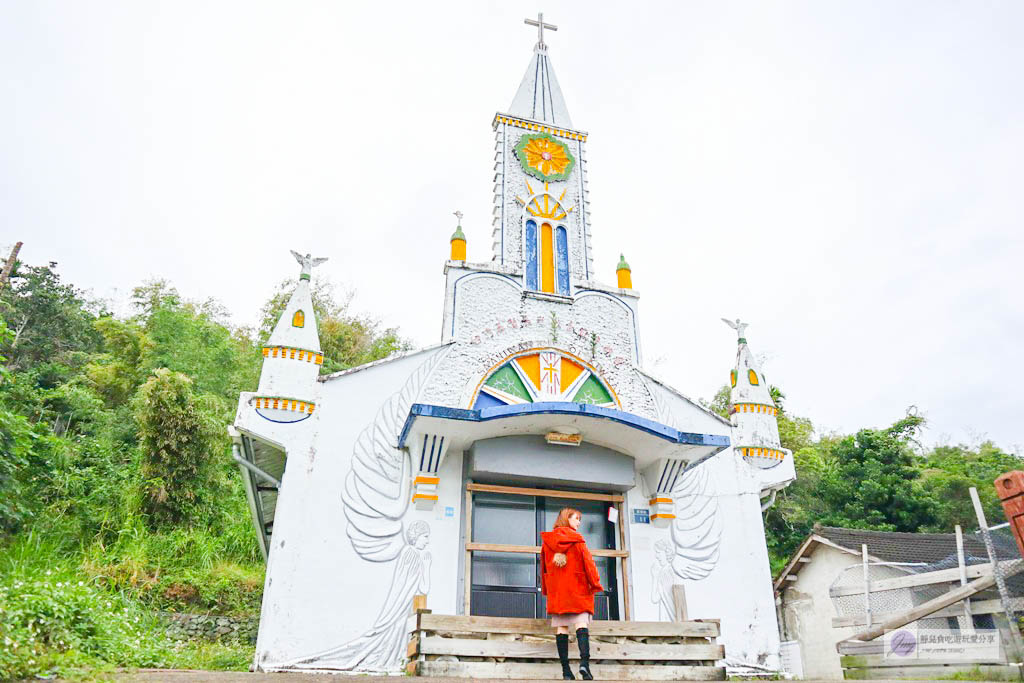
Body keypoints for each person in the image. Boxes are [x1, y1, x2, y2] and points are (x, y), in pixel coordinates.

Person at [540, 507, 604, 680]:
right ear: (567, 519)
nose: (579, 522)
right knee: (581, 626)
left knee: (562, 629)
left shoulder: (548, 542)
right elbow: (589, 565)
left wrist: (548, 590)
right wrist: (595, 584)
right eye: (576, 518)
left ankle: (566, 671)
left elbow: (544, 569)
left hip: (558, 593)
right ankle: (584, 665)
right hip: (578, 591)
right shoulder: (578, 540)